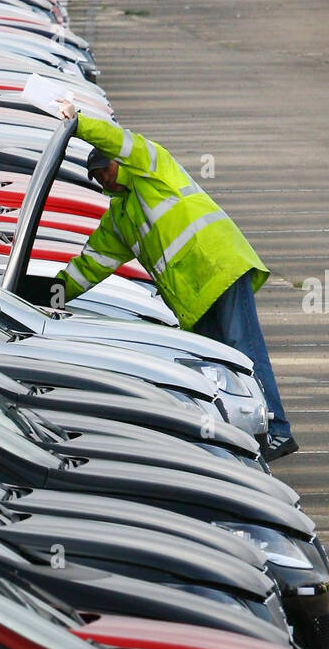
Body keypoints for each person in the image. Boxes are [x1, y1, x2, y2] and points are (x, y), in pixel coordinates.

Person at [53, 100, 297, 461]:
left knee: (244, 351)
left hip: (218, 267)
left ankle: (276, 430)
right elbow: (89, 266)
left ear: (118, 161)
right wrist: (49, 294)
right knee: (218, 369)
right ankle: (243, 436)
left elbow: (117, 138)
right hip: (193, 296)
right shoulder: (119, 218)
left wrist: (78, 123)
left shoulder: (153, 168)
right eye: (98, 175)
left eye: (105, 167)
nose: (103, 176)